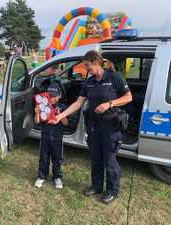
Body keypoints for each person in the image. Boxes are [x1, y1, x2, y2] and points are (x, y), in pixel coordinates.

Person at [51, 50, 132, 204]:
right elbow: (78, 103)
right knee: (96, 158)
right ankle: (96, 186)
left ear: (96, 62)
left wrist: (109, 104)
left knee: (109, 159)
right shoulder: (89, 81)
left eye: (88, 66)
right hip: (94, 125)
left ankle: (112, 190)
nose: (87, 69)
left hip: (111, 125)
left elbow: (128, 97)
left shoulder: (114, 77)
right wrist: (61, 116)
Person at [34, 82, 68, 189]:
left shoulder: (62, 107)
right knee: (43, 158)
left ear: (59, 96)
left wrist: (60, 115)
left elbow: (66, 123)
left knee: (57, 158)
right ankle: (41, 176)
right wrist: (37, 113)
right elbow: (37, 121)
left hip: (57, 139)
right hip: (45, 137)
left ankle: (57, 177)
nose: (52, 99)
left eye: (54, 96)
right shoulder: (43, 106)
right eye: (50, 96)